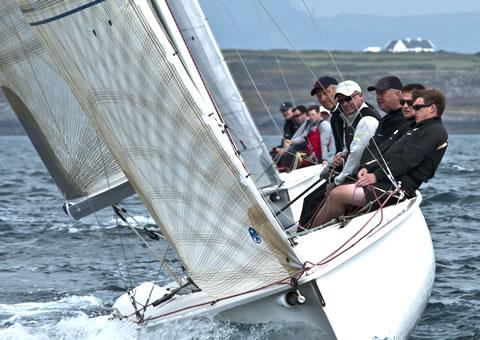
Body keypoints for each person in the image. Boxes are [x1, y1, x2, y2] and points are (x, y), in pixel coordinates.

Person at [310, 88, 448, 227]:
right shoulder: (416, 128)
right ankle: (321, 229)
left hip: (398, 188)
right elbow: (388, 154)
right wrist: (367, 168)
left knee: (338, 194)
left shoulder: (434, 131)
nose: (413, 109)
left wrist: (376, 176)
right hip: (387, 181)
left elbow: (406, 161)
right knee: (334, 191)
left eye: (417, 107)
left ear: (432, 108)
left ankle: (311, 234)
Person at [299, 80, 380, 227]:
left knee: (316, 200)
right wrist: (341, 156)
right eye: (341, 100)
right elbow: (348, 149)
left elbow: (356, 155)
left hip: (364, 174)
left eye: (349, 98)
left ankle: (307, 231)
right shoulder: (348, 116)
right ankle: (302, 232)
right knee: (310, 199)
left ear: (360, 96)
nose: (345, 103)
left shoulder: (366, 119)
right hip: (352, 171)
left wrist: (336, 182)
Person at [360, 76, 406, 165]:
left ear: (397, 94)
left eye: (382, 93)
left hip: (380, 175)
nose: (378, 97)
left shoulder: (402, 120)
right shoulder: (388, 118)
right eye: (377, 93)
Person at [310, 76, 342, 154]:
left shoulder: (347, 112)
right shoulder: (334, 116)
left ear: (338, 90)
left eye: (326, 92)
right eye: (319, 96)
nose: (322, 99)